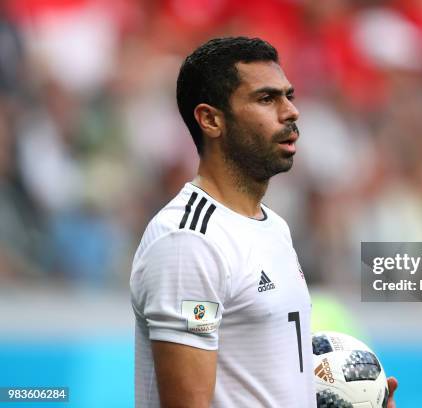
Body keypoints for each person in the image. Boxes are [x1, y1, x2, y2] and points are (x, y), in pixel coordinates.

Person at [130, 36, 397, 407]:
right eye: (267, 99)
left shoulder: (273, 226)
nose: (291, 112)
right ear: (210, 119)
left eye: (289, 96)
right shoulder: (189, 242)